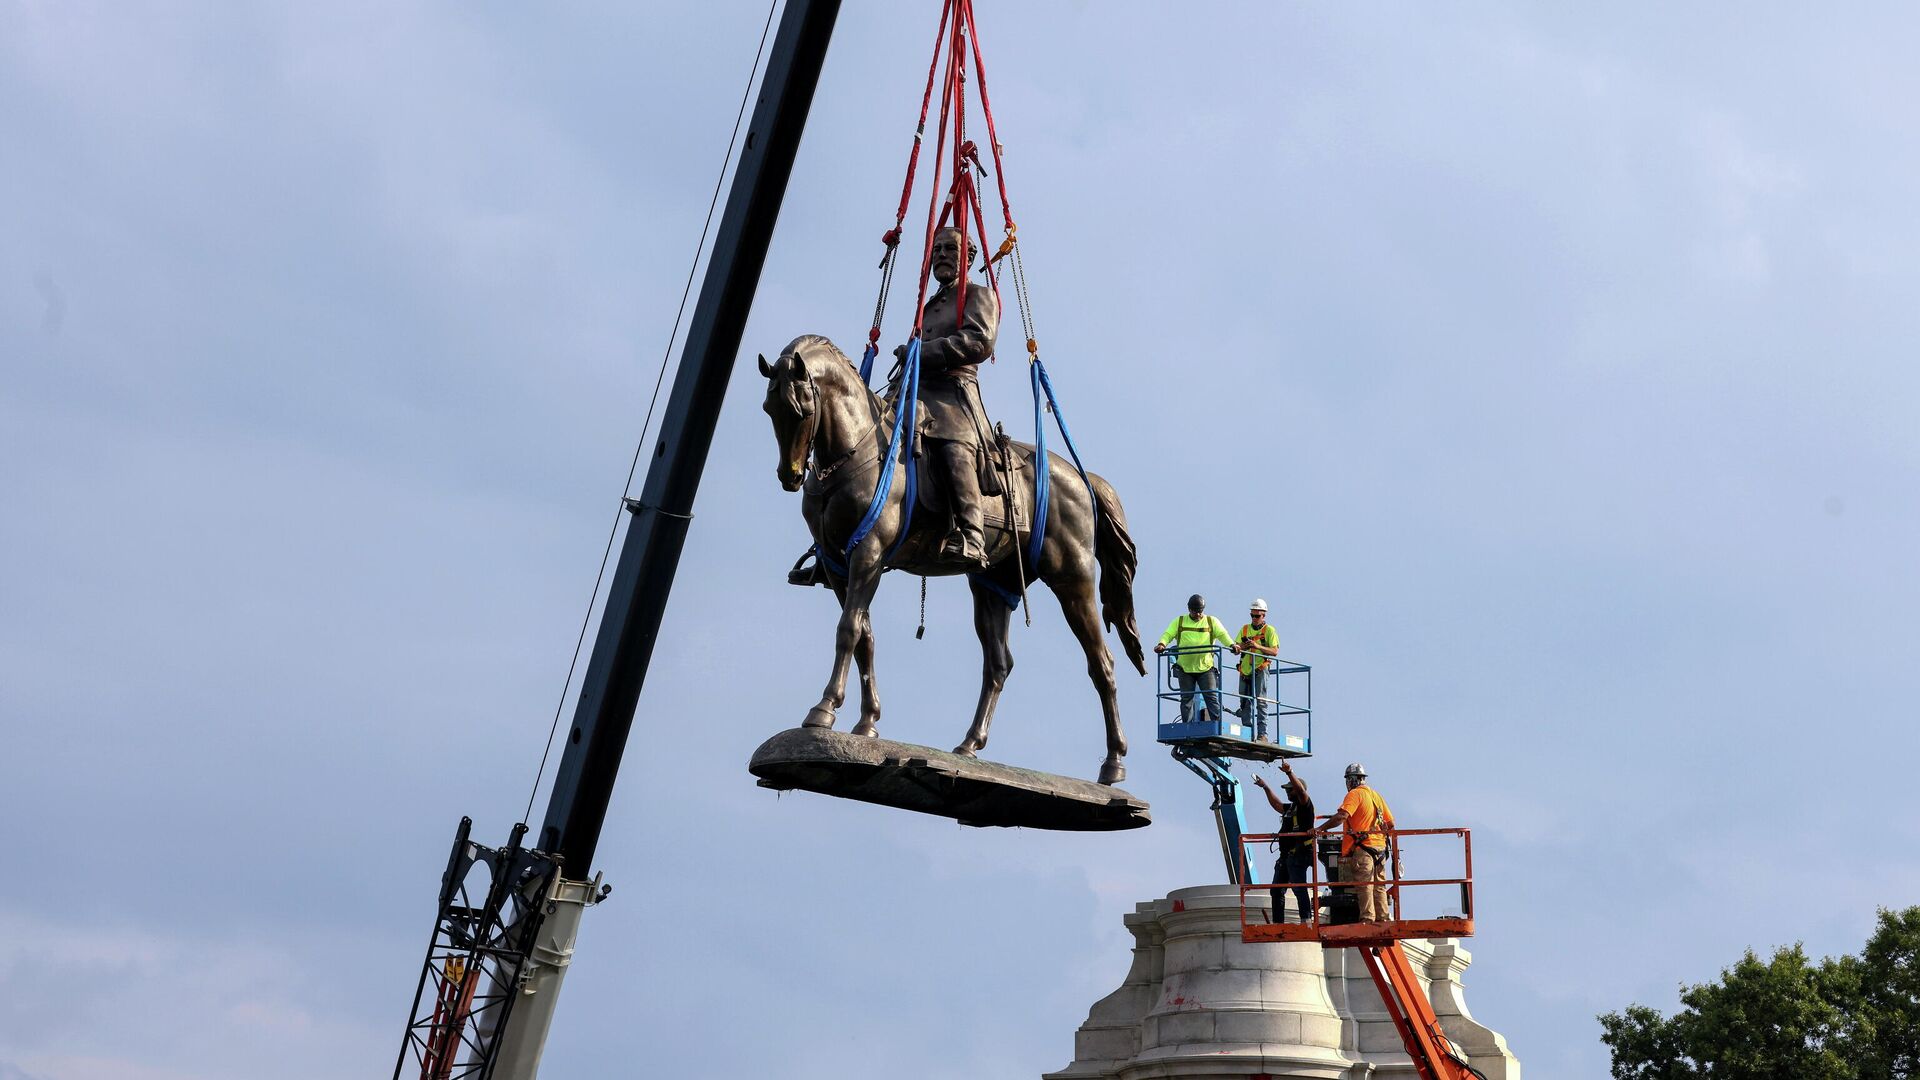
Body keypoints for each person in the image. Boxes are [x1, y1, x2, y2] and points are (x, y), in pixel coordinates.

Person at [895, 226, 1000, 568]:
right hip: (917, 391)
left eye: (949, 249)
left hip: (954, 394)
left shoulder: (978, 294)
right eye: (936, 249)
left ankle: (972, 535)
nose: (941, 254)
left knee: (955, 451)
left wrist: (921, 353)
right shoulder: (930, 305)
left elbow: (979, 340)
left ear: (967, 258)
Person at [1313, 762, 1396, 924]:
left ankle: (1368, 919)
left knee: (1365, 884)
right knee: (1379, 886)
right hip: (1380, 848)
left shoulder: (1355, 795)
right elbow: (1391, 824)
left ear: (1352, 780)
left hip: (1363, 848)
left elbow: (1342, 816)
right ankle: (1383, 919)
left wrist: (1321, 829)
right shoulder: (1376, 796)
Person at [1153, 594, 1239, 723]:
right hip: (1185, 669)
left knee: (1211, 697)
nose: (1198, 614)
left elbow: (1222, 634)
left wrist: (1232, 645)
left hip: (1205, 668)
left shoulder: (1211, 621)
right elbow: (1168, 634)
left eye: (1200, 611)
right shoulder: (1180, 621)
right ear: (1189, 609)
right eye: (1195, 611)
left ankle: (1217, 725)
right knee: (1186, 699)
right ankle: (1187, 727)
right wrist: (1162, 644)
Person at [1252, 760, 1316, 923]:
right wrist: (1265, 787)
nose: (1288, 792)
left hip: (1300, 854)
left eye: (1290, 789)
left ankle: (1306, 920)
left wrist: (1289, 772)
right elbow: (1276, 804)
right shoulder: (1292, 808)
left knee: (1298, 887)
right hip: (1287, 856)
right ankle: (1278, 923)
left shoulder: (1305, 805)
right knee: (1277, 890)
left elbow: (1301, 792)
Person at [1233, 598, 1280, 740]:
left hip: (1260, 669)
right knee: (1245, 702)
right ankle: (1247, 733)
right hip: (1245, 670)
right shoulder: (1245, 629)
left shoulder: (1269, 630)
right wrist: (1243, 646)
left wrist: (1257, 646)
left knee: (1261, 701)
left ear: (1264, 615)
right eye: (1252, 615)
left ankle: (1262, 735)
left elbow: (1275, 651)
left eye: (1257, 616)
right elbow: (1235, 649)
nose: (1254, 618)